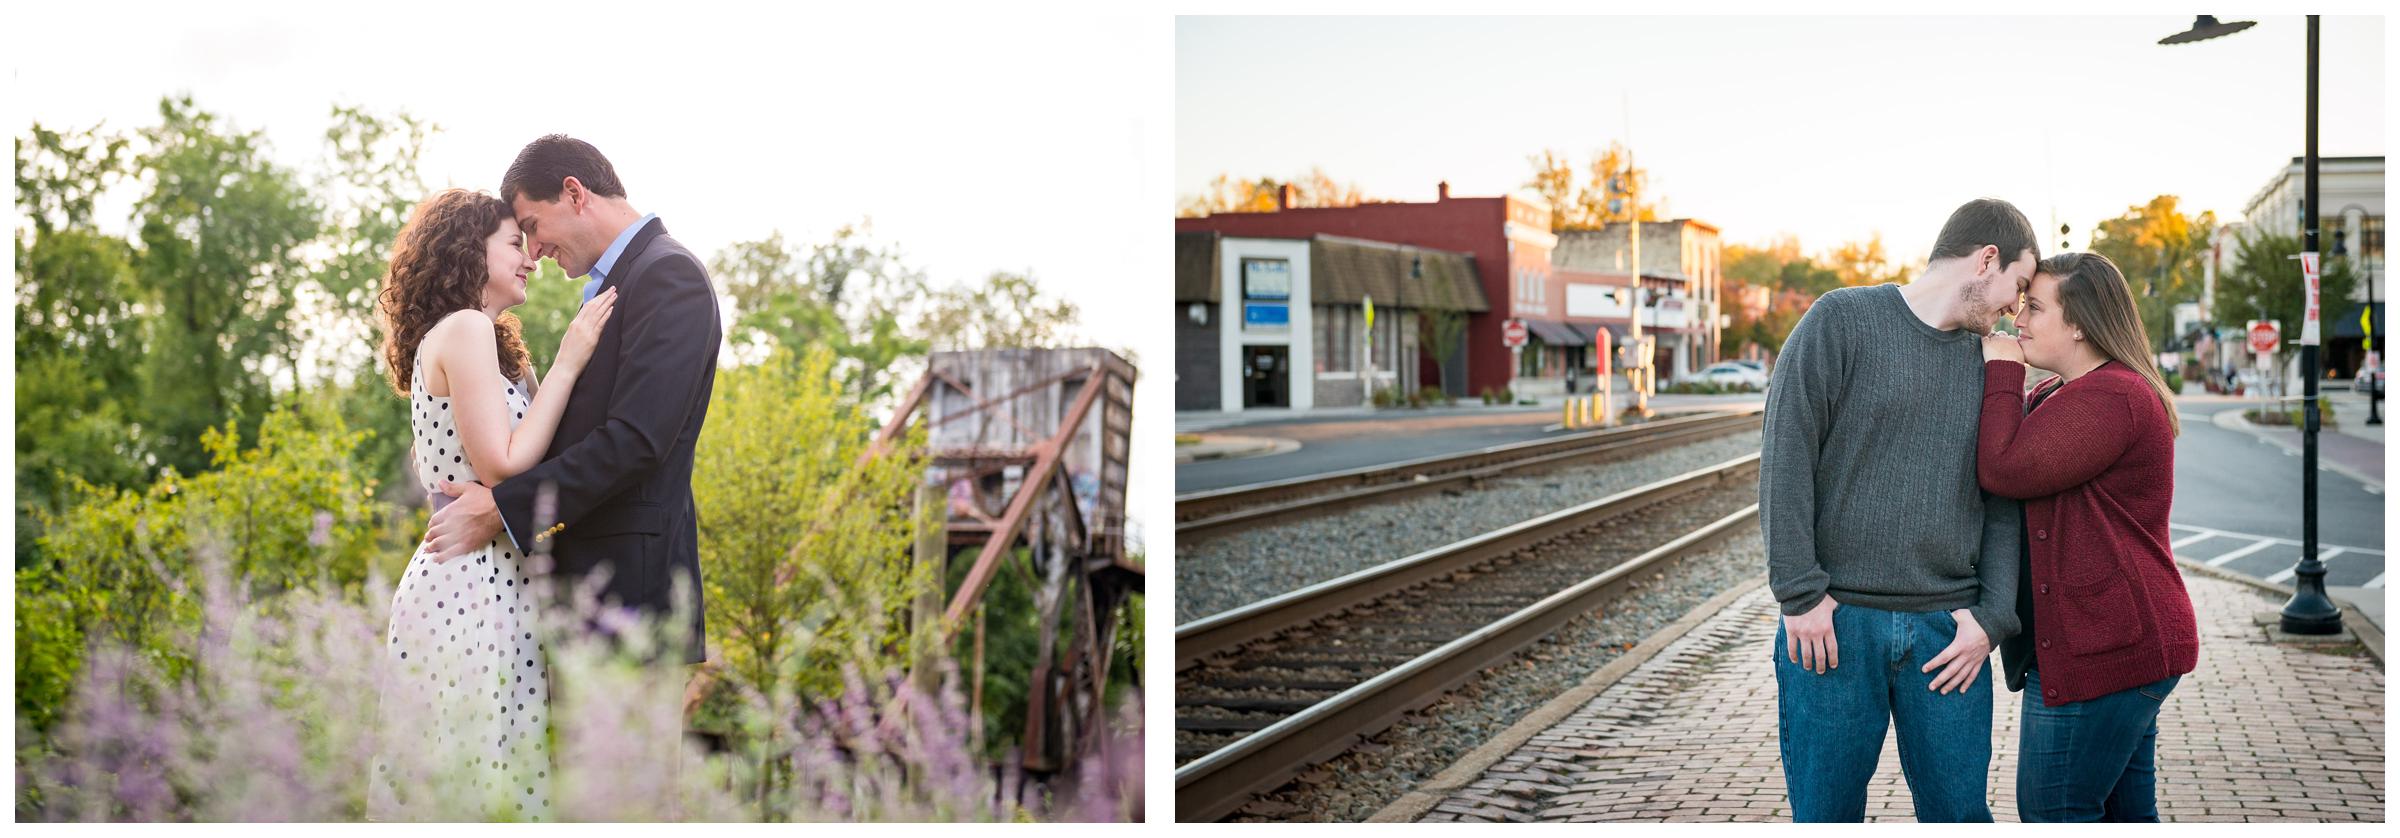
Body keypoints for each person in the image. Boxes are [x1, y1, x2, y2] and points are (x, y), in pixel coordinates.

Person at [1759, 197, 2037, 822]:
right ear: (1986, 260)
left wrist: (1990, 619)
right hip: (1833, 629)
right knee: (1825, 818)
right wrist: (1799, 596)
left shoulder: (1993, 366)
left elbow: (2001, 502)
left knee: (1959, 817)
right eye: (2015, 288)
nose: (2012, 310)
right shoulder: (1841, 320)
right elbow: (1785, 457)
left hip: (1948, 636)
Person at [420, 135, 724, 666]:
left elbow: (636, 440)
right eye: (519, 241)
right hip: (568, 606)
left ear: (575, 193)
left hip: (632, 605)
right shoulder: (616, 287)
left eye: (532, 228)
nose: (534, 253)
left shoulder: (667, 276)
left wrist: (502, 509)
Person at [369, 188, 618, 819]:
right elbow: (505, 465)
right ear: (467, 253)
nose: (531, 255)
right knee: (473, 781)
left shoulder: (493, 343)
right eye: (514, 242)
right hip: (467, 583)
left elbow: (539, 456)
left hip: (497, 578)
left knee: (497, 775)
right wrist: (569, 361)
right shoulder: (464, 328)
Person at [1977, 251, 2199, 822]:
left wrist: (2001, 366)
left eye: (2036, 307)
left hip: (2105, 648)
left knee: (2055, 811)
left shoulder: (2112, 397)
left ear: (2079, 323)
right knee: (2125, 816)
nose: (2019, 319)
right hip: (2116, 642)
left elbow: (2005, 469)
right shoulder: (2064, 393)